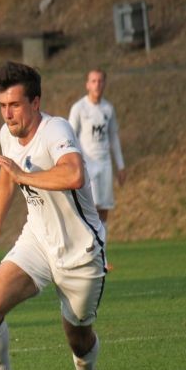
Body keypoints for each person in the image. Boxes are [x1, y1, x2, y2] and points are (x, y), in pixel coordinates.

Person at [0, 62, 106, 370]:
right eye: (2, 105)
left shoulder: (55, 128)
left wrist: (24, 174)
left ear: (35, 102)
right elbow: (6, 175)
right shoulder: (7, 134)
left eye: (14, 104)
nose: (8, 113)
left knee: (77, 336)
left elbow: (74, 173)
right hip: (37, 241)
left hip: (80, 252)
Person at [68, 68, 125, 263]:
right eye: (93, 81)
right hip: (87, 165)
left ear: (104, 83)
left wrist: (121, 165)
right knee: (88, 209)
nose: (97, 84)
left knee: (104, 211)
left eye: (100, 81)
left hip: (105, 164)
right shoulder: (79, 109)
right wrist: (73, 164)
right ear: (87, 84)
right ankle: (84, 254)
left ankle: (102, 257)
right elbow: (69, 137)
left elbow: (113, 137)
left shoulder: (108, 109)